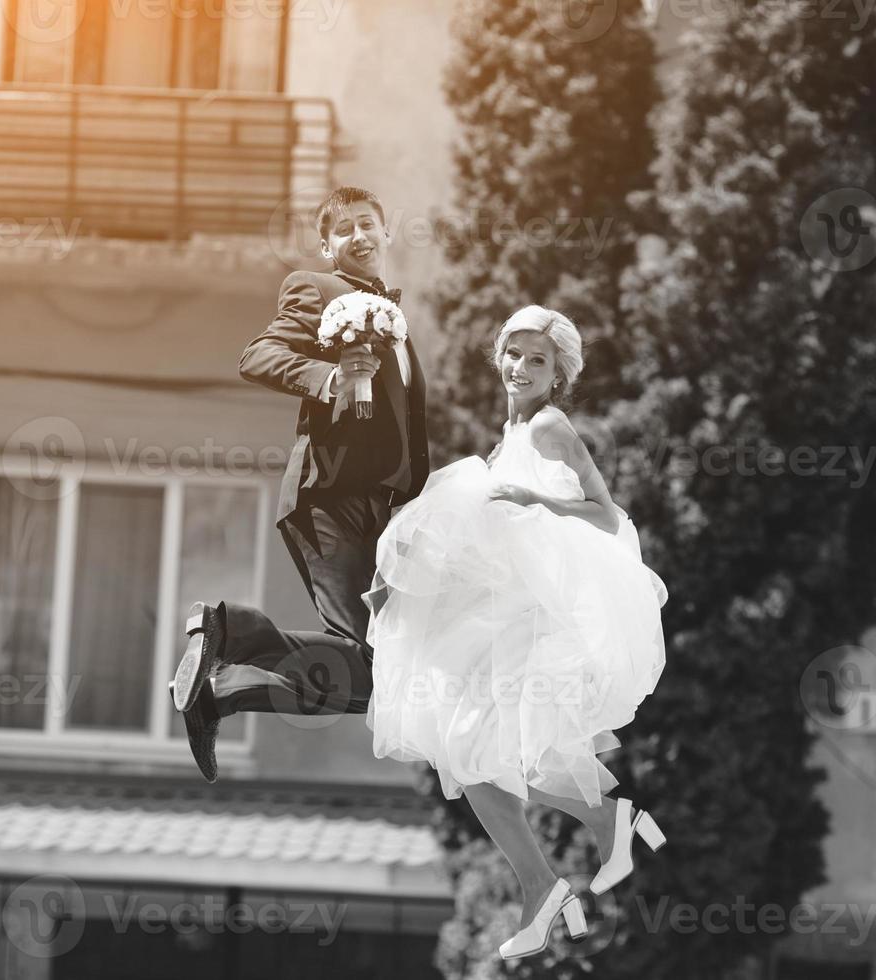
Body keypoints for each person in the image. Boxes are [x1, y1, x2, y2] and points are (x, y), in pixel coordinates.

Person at [363, 306, 669, 960]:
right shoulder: (510, 436)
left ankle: (548, 878)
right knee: (485, 754)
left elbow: (604, 510)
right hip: (499, 615)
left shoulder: (552, 427)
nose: (521, 367)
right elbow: (472, 533)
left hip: (532, 617)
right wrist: (402, 582)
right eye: (514, 353)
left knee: (474, 753)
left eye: (538, 360)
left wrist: (538, 502)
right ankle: (595, 832)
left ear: (559, 376)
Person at [169, 186, 429, 782]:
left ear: (387, 234)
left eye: (369, 223)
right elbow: (257, 355)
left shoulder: (399, 322)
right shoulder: (316, 289)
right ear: (327, 245)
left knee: (381, 678)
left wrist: (418, 512)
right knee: (378, 673)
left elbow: (408, 433)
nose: (359, 236)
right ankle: (226, 629)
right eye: (345, 230)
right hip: (328, 497)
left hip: (385, 511)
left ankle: (223, 689)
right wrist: (329, 377)